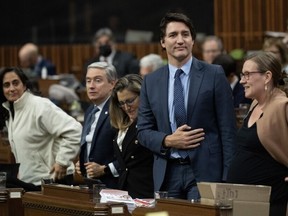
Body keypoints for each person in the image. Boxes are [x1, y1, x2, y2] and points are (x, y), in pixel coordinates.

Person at [137, 12, 236, 200]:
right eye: (173, 35)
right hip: (167, 173)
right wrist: (168, 140)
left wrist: (228, 177)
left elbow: (228, 130)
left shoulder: (214, 74)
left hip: (205, 172)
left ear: (192, 40)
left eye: (185, 34)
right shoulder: (151, 81)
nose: (180, 40)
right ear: (163, 42)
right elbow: (142, 131)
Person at [0, 67, 82, 191]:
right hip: (31, 182)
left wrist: (62, 161)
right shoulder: (10, 112)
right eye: (6, 85)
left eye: (15, 83)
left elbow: (75, 130)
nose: (11, 88)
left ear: (24, 84)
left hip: (54, 180)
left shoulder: (40, 105)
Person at [226, 51, 288, 216]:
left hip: (272, 204)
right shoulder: (255, 104)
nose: (242, 81)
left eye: (247, 75)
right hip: (246, 204)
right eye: (242, 75)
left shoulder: (283, 105)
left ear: (267, 77)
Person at [108, 74, 154, 198]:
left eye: (130, 101)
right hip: (126, 193)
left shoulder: (153, 123)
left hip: (147, 193)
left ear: (143, 95)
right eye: (121, 103)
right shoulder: (123, 126)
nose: (127, 108)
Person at [75, 62, 118, 189]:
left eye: (97, 80)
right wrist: (82, 162)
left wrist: (105, 169)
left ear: (112, 84)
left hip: (114, 185)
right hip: (93, 184)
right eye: (88, 81)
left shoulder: (118, 110)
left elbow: (129, 155)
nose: (91, 86)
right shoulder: (90, 111)